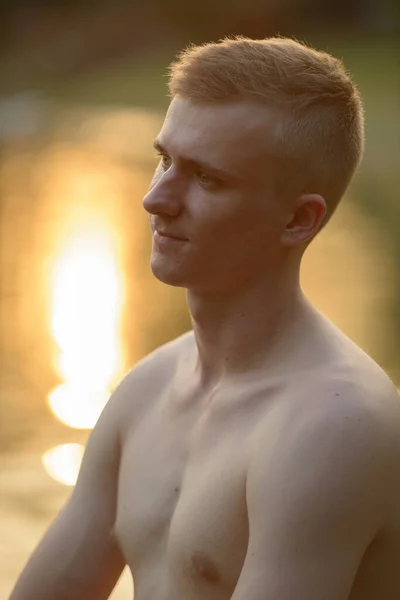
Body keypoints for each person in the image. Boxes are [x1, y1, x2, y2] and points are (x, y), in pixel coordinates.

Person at [9, 35, 400, 600]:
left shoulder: (333, 429)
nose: (156, 198)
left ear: (298, 219)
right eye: (164, 159)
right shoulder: (145, 392)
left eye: (207, 178)